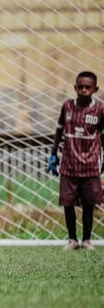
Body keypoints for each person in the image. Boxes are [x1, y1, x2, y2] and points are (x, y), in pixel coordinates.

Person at [48, 71, 104, 250]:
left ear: (95, 89)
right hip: (69, 165)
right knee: (68, 203)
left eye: (88, 87)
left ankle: (86, 240)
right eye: (80, 86)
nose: (84, 90)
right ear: (75, 88)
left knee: (89, 204)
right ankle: (72, 239)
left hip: (90, 165)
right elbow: (59, 129)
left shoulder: (100, 109)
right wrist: (54, 153)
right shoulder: (67, 106)